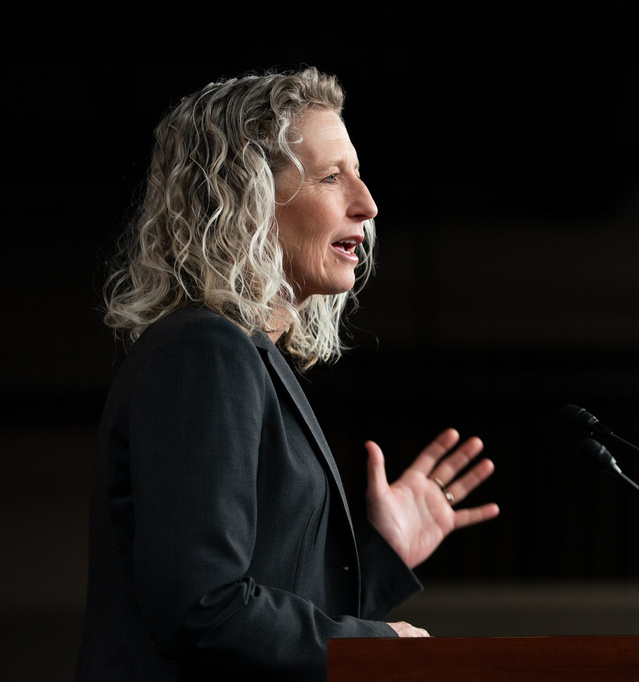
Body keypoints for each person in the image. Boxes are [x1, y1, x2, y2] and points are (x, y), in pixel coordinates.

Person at [75, 67, 500, 681]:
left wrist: (378, 558)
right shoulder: (204, 349)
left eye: (357, 173)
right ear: (244, 201)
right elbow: (202, 608)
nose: (368, 203)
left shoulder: (241, 354)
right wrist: (379, 645)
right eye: (332, 177)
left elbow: (259, 610)